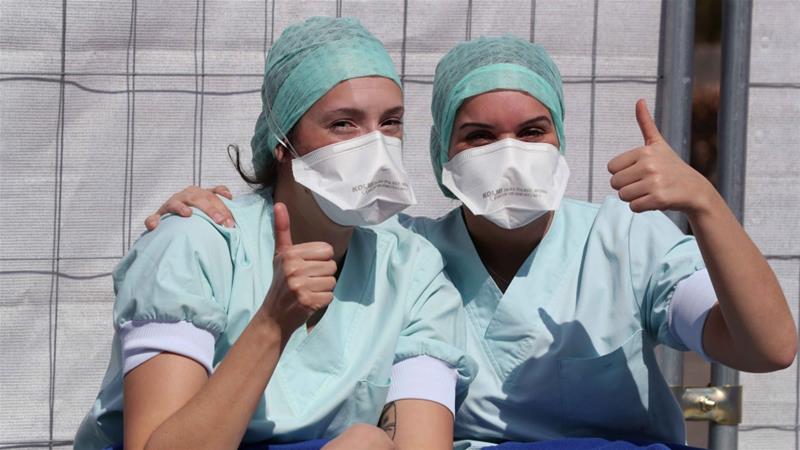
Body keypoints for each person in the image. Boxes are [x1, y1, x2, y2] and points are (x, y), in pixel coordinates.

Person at [149, 35, 797, 448]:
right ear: (442, 154)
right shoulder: (408, 260)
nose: (510, 154)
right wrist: (206, 210)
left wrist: (706, 205)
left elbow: (767, 348)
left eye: (533, 130)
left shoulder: (625, 239)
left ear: (560, 141)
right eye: (480, 136)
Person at [75, 17, 476, 450]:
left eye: (391, 122)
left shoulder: (413, 271)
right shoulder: (195, 244)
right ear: (282, 140)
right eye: (343, 123)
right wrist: (272, 322)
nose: (375, 145)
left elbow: (420, 442)